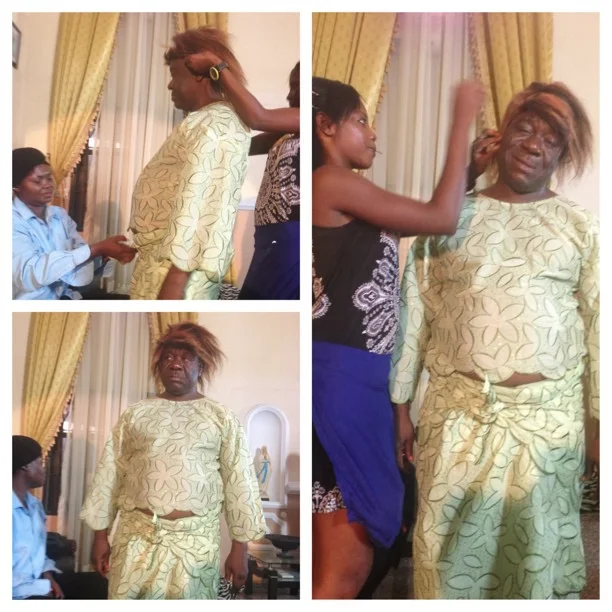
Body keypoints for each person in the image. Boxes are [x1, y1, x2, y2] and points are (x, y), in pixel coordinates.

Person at [390, 81, 599, 599]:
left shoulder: (581, 226)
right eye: (525, 130)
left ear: (563, 154)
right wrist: (400, 408)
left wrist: (599, 423)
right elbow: (415, 312)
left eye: (551, 139)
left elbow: (601, 326)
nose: (534, 146)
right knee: (446, 564)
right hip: (456, 419)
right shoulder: (447, 218)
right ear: (500, 136)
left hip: (548, 426)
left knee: (533, 561)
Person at [311, 76, 483, 599]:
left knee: (346, 560)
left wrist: (471, 170)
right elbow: (441, 218)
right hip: (343, 376)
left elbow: (426, 217)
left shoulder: (343, 192)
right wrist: (461, 119)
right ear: (326, 126)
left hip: (356, 376)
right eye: (360, 120)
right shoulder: (332, 181)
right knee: (347, 569)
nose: (373, 132)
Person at [80, 322, 266, 599]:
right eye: (168, 357)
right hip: (135, 542)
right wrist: (100, 537)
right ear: (158, 366)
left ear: (201, 366)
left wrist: (240, 549)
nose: (176, 364)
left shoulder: (221, 418)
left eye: (186, 358)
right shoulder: (136, 414)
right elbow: (111, 474)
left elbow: (239, 482)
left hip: (195, 548)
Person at [128, 27, 251, 300]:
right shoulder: (206, 120)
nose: (170, 85)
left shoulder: (216, 125)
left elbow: (203, 204)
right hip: (164, 264)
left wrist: (176, 279)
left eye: (174, 75)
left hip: (177, 273)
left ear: (199, 76)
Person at [185, 53, 300, 300]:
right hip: (270, 235)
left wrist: (217, 65)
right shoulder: (290, 129)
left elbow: (258, 117)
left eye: (298, 86)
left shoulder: (306, 120)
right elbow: (244, 145)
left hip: (291, 235)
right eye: (292, 86)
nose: (291, 94)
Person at [12, 147, 136, 299]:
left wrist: (99, 256)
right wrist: (94, 250)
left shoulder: (59, 215)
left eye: (49, 178)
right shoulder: (12, 221)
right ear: (16, 186)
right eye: (38, 181)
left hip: (68, 296)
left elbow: (77, 271)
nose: (47, 185)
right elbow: (29, 274)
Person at [12, 435, 107, 599]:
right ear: (25, 466)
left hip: (37, 583)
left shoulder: (35, 505)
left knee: (98, 584)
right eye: (40, 463)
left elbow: (37, 555)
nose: (44, 469)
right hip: (17, 592)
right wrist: (40, 590)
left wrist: (48, 578)